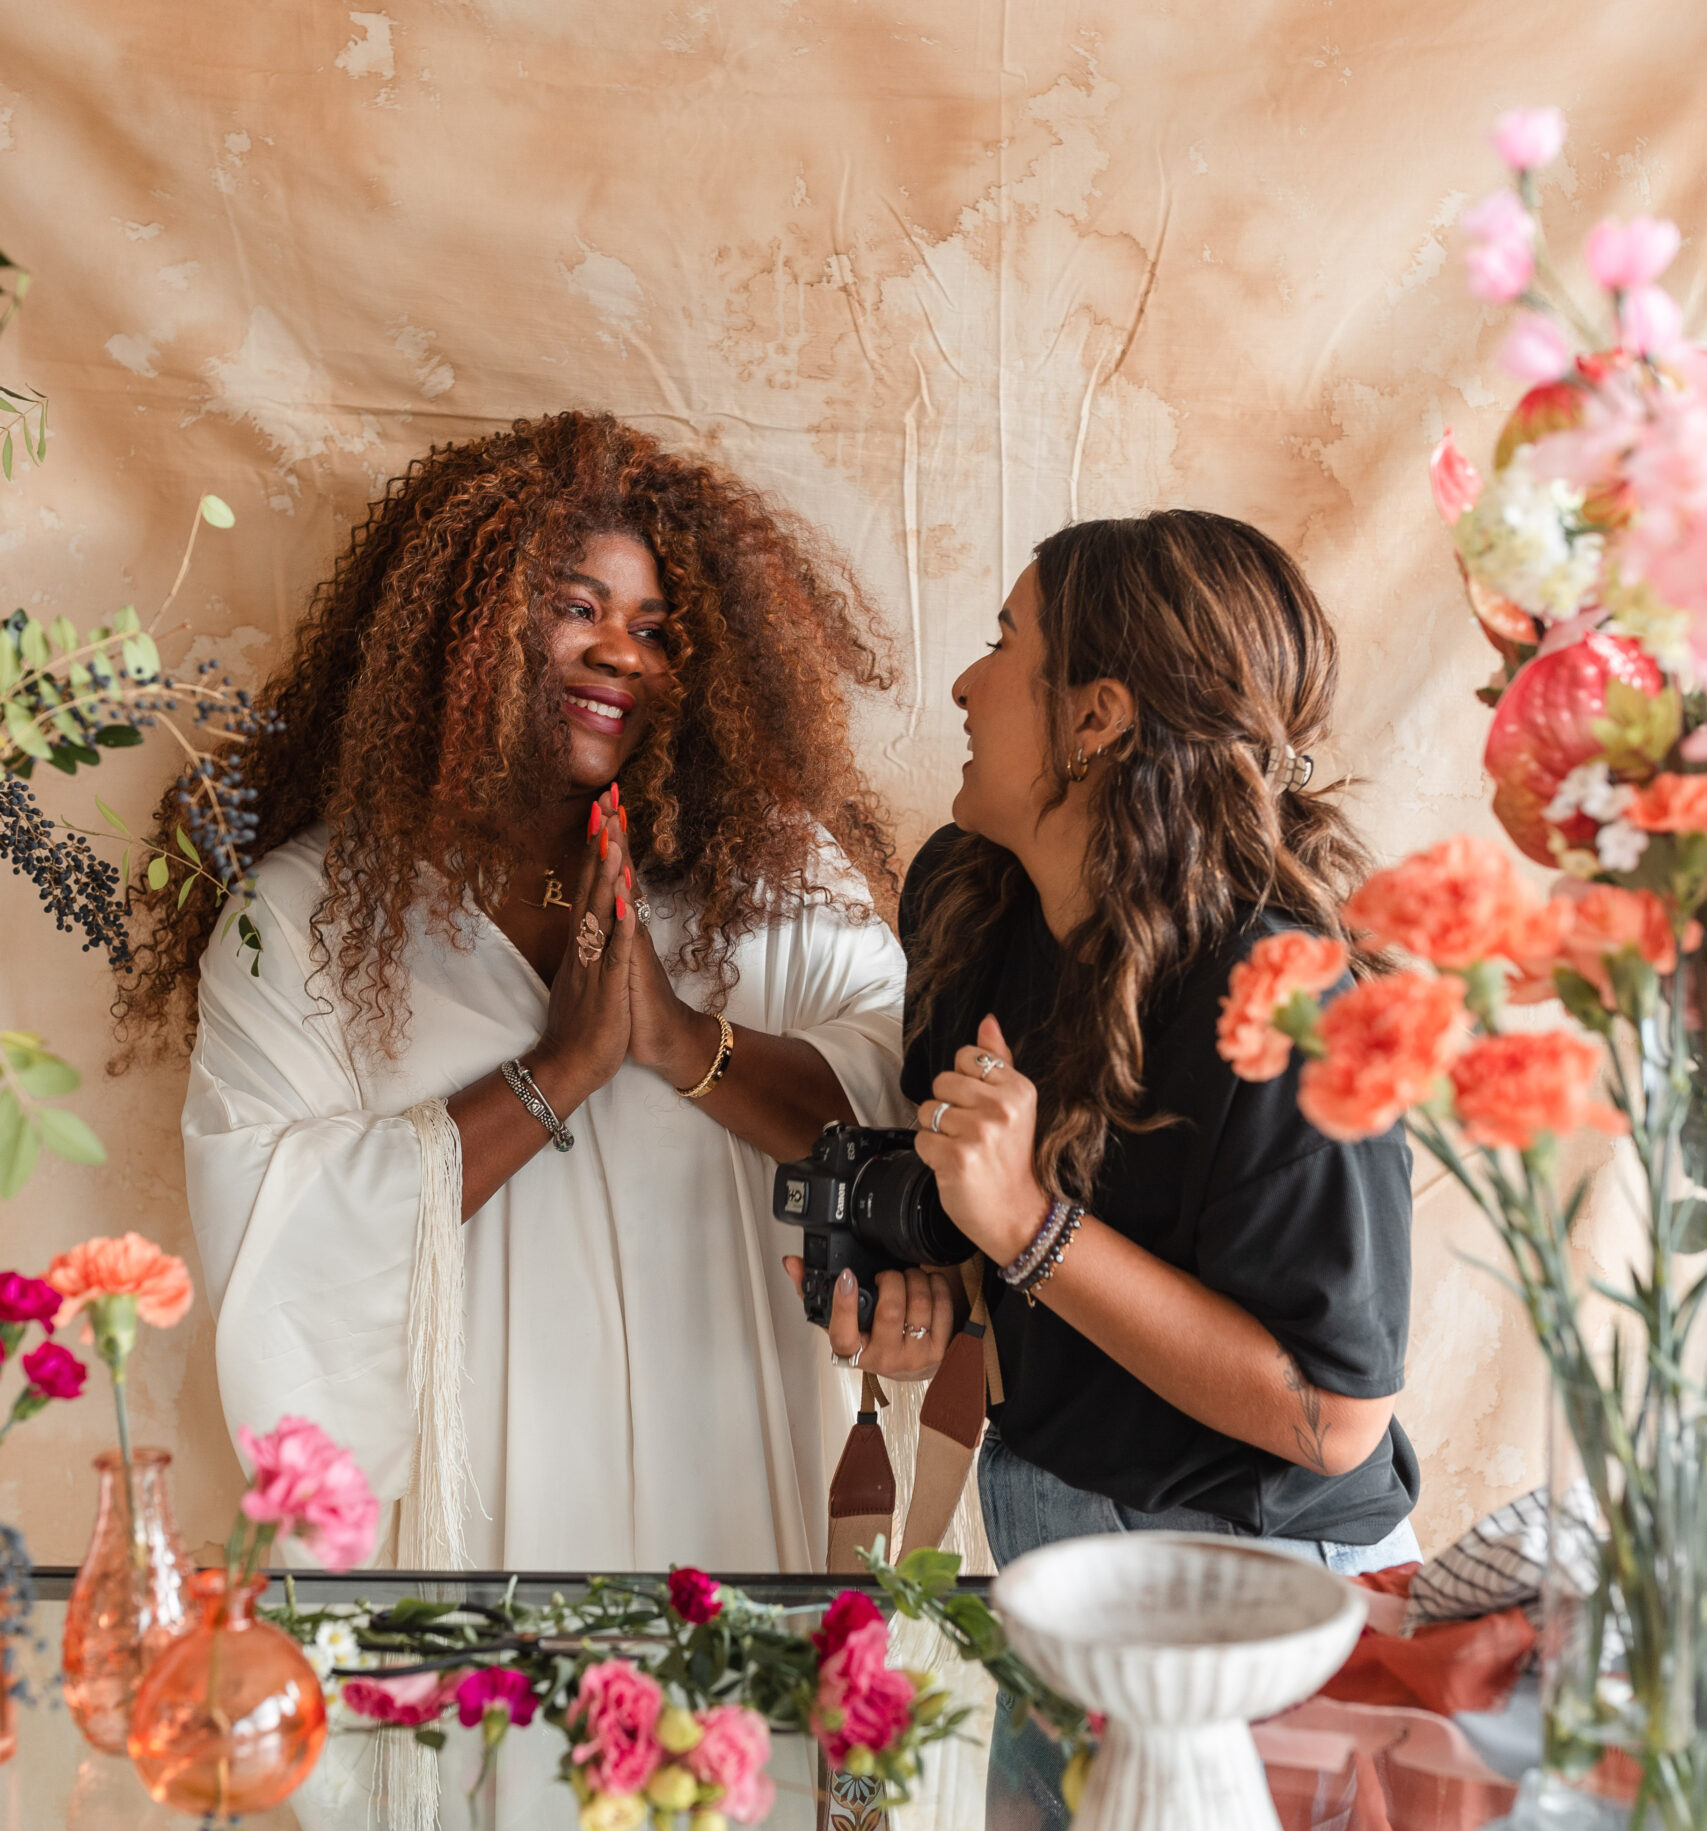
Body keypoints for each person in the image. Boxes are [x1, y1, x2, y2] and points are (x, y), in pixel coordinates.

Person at [117, 409, 912, 1578]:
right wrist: (558, 1076)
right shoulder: (300, 917)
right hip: (469, 1534)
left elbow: (898, 1115)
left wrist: (684, 1042)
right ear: (465, 627)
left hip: (731, 1490)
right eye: (576, 607)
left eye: (654, 626)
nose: (621, 653)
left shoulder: (776, 880)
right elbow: (273, 1257)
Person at [820, 510, 1420, 1578]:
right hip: (1053, 1534)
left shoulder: (1286, 1007)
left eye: (1005, 642)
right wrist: (939, 1288)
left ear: (1094, 717)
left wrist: (1028, 1227)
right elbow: (1002, 1245)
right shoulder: (968, 902)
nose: (964, 684)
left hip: (1260, 1581)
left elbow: (1333, 1416)